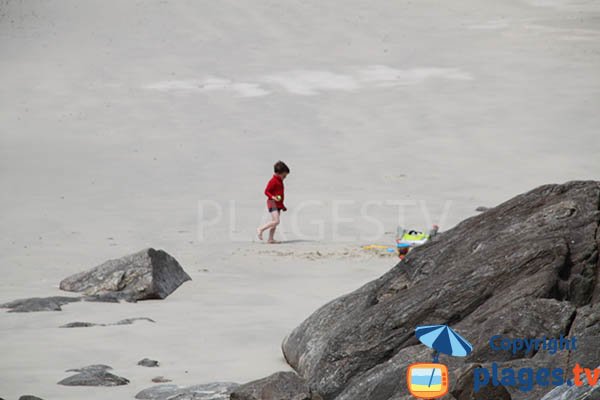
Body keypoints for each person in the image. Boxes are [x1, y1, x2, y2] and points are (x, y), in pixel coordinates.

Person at [257, 161, 289, 243]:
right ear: (279, 173)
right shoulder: (273, 181)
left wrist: (282, 206)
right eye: (284, 175)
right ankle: (261, 229)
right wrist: (273, 197)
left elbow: (280, 196)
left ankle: (270, 239)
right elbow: (266, 191)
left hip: (278, 204)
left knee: (274, 223)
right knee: (276, 221)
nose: (285, 177)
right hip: (272, 202)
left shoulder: (280, 181)